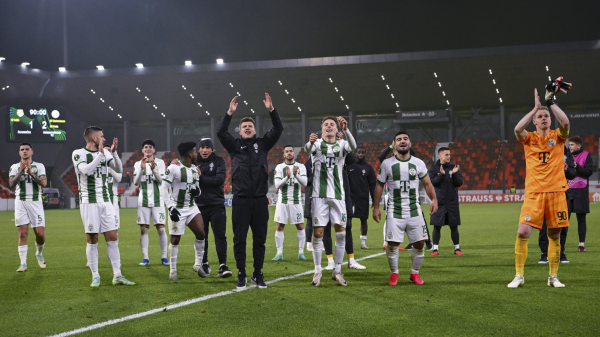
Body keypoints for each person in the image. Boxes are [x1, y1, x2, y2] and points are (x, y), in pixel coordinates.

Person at [508, 81, 571, 288]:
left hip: (556, 192)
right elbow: (518, 129)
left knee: (554, 234)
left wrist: (550, 103)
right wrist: (535, 108)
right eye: (540, 117)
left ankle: (553, 277)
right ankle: (519, 275)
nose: (544, 119)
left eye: (546, 117)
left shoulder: (558, 137)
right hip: (534, 193)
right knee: (522, 232)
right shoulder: (529, 138)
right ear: (534, 121)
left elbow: (566, 123)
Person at [217, 93, 283, 290]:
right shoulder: (234, 146)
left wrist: (271, 110)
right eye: (244, 126)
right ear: (240, 130)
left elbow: (278, 128)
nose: (247, 128)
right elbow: (221, 132)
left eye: (250, 126)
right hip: (241, 200)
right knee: (240, 239)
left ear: (255, 130)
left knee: (260, 239)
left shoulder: (263, 144)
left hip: (260, 200)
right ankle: (241, 273)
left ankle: (258, 272)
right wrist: (229, 113)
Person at [373, 131, 438, 285]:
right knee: (393, 244)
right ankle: (394, 273)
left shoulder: (418, 163)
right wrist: (376, 207)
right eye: (399, 140)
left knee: (420, 243)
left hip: (414, 210)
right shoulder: (387, 164)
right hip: (394, 211)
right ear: (394, 145)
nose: (402, 141)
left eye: (405, 139)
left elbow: (428, 184)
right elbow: (379, 186)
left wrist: (434, 199)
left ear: (410, 144)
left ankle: (415, 273)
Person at [72, 126, 134, 287]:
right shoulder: (78, 153)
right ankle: (95, 275)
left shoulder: (105, 153)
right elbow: (86, 171)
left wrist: (113, 153)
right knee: (92, 239)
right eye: (102, 136)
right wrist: (100, 155)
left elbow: (119, 170)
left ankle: (118, 275)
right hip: (89, 202)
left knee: (113, 237)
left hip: (106, 202)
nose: (104, 138)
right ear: (94, 138)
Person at [305, 116, 357, 287]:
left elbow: (354, 147)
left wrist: (347, 130)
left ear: (337, 130)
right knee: (318, 233)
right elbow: (307, 149)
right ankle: (318, 270)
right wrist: (311, 141)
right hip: (318, 196)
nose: (329, 126)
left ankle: (338, 271)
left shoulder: (342, 144)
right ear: (321, 129)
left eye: (332, 125)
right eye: (326, 124)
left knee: (341, 233)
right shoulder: (317, 144)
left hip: (338, 196)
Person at [161, 141, 208, 280]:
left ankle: (198, 265)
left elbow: (198, 190)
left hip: (191, 207)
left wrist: (196, 191)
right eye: (194, 151)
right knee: (175, 239)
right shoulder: (174, 168)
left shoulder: (195, 169)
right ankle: (173, 271)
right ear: (189, 154)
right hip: (177, 207)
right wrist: (170, 207)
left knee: (201, 233)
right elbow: (164, 188)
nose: (196, 153)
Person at [378, 144, 433, 251]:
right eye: (393, 151)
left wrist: (402, 145)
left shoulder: (410, 160)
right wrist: (391, 146)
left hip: (411, 197)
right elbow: (380, 157)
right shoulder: (389, 164)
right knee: (392, 219)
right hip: (393, 197)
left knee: (419, 218)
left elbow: (412, 153)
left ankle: (428, 241)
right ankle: (389, 242)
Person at [194, 137, 232, 277]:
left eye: (207, 147)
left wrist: (201, 177)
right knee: (203, 236)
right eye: (202, 147)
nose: (204, 150)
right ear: (198, 149)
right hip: (199, 206)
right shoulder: (193, 162)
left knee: (220, 236)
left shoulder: (219, 161)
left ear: (212, 149)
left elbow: (219, 180)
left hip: (216, 205)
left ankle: (223, 266)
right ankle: (204, 264)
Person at [9, 143, 48, 272]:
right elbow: (11, 184)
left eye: (27, 149)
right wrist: (20, 171)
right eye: (22, 150)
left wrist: (30, 172)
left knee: (40, 233)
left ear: (32, 152)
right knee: (23, 233)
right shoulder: (14, 167)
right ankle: (23, 263)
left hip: (35, 202)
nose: (24, 151)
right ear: (19, 153)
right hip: (20, 202)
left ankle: (38, 253)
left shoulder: (39, 166)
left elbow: (43, 183)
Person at [133, 139, 169, 266]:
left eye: (150, 147)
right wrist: (142, 169)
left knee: (161, 229)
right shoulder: (138, 164)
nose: (148, 149)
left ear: (154, 150)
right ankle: (145, 258)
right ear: (142, 150)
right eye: (145, 147)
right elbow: (135, 183)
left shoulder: (160, 163)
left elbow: (162, 182)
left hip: (158, 200)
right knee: (144, 229)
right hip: (143, 201)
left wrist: (154, 170)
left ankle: (164, 257)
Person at [538, 145, 576, 263]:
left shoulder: (568, 156)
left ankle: (560, 253)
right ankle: (545, 253)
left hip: (563, 194)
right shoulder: (545, 154)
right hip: (547, 192)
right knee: (544, 224)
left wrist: (566, 170)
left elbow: (572, 174)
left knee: (562, 225)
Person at [272, 145, 308, 261]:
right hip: (282, 202)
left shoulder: (300, 166)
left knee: (300, 226)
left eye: (291, 151)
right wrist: (287, 177)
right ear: (284, 155)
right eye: (286, 151)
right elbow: (277, 185)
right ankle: (279, 253)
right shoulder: (279, 167)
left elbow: (305, 183)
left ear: (294, 153)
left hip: (296, 202)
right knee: (279, 226)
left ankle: (301, 253)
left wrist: (296, 174)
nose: (289, 153)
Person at [428, 147, 464, 255]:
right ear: (440, 156)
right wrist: (441, 174)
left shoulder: (455, 167)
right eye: (446, 155)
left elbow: (459, 183)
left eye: (449, 154)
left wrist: (453, 175)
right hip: (439, 202)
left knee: (454, 225)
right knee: (437, 226)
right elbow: (433, 182)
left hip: (452, 202)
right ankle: (435, 249)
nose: (449, 157)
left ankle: (457, 249)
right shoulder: (434, 169)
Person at [566, 136, 594, 252]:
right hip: (567, 191)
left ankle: (581, 244)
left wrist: (577, 167)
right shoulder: (566, 156)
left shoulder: (587, 155)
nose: (570, 147)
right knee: (564, 219)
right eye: (569, 144)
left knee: (581, 219)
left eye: (572, 145)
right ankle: (560, 244)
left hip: (581, 192)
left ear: (579, 145)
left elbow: (589, 172)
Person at [347, 146, 376, 250]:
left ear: (365, 153)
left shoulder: (368, 168)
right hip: (350, 198)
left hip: (363, 197)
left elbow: (373, 185)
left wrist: (374, 199)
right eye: (359, 152)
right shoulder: (349, 166)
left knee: (363, 219)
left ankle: (363, 242)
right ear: (355, 153)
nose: (360, 154)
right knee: (348, 219)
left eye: (362, 152)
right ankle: (347, 239)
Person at [104, 141, 123, 231]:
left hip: (113, 199)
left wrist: (110, 169)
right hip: (101, 200)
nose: (108, 152)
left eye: (109, 150)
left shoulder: (115, 166)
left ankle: (114, 245)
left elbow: (119, 178)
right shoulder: (97, 166)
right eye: (105, 151)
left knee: (114, 229)